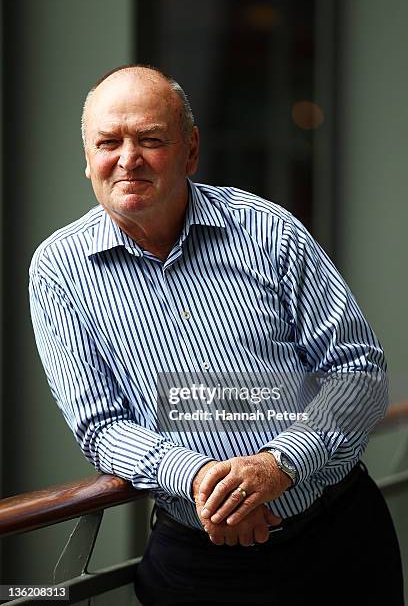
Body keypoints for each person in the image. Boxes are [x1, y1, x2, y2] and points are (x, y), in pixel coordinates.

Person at [29, 65, 404, 606]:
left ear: (191, 149)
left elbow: (358, 369)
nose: (128, 158)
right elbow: (99, 426)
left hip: (338, 543)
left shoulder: (268, 230)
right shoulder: (57, 269)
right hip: (198, 567)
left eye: (151, 139)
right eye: (108, 141)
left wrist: (280, 466)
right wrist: (205, 480)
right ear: (87, 157)